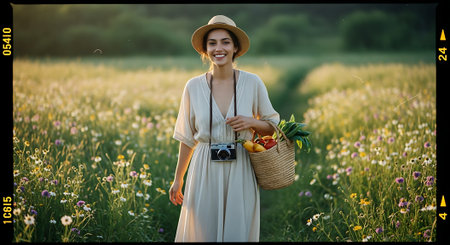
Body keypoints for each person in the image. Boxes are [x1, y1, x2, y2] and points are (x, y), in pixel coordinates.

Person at [169, 15, 280, 242]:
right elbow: (187, 138)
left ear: (235, 47)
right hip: (203, 168)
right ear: (205, 49)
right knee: (203, 232)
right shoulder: (193, 86)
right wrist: (178, 179)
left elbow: (273, 127)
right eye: (212, 43)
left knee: (236, 232)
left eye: (225, 42)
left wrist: (252, 122)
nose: (218, 48)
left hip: (241, 167)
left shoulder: (253, 82)